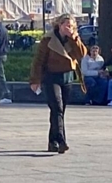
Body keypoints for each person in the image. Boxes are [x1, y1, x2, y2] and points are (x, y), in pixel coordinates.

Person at [30, 14, 87, 153]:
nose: (69, 28)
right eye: (67, 25)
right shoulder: (48, 39)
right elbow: (39, 61)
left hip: (67, 77)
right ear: (59, 25)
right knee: (57, 108)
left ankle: (52, 141)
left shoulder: (73, 39)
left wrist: (74, 38)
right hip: (51, 77)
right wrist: (35, 80)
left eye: (72, 26)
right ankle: (61, 140)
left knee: (59, 111)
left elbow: (81, 55)